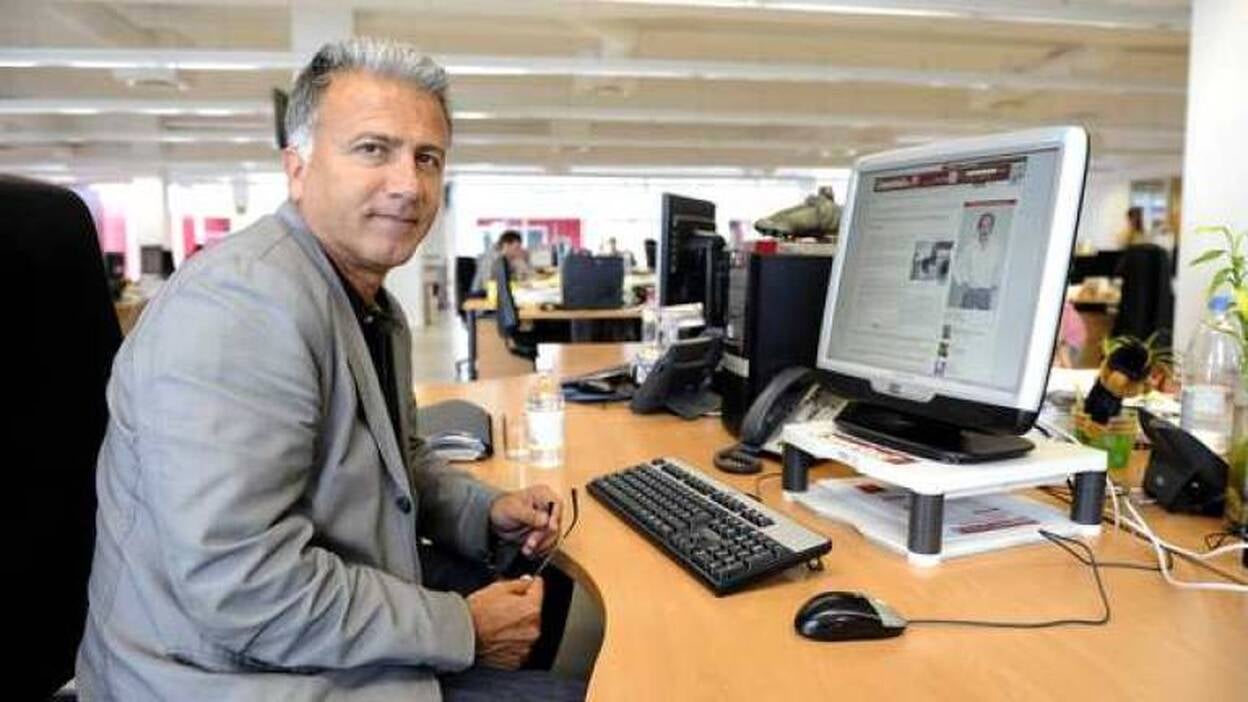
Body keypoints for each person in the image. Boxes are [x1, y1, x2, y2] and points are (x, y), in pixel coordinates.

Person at [76, 38, 584, 701]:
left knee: (546, 584)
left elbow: (399, 463)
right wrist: (462, 628)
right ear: (297, 168)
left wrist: (487, 514)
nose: (407, 184)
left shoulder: (368, 305)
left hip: (294, 621)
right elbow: (243, 585)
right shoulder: (240, 308)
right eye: (373, 149)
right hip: (219, 676)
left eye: (427, 158)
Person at [949, 211, 1006, 310]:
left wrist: (995, 284)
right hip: (970, 291)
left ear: (991, 228)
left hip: (985, 293)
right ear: (979, 227)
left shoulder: (997, 247)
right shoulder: (970, 246)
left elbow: (1001, 268)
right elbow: (956, 265)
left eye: (988, 226)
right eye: (983, 225)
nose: (985, 229)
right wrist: (962, 282)